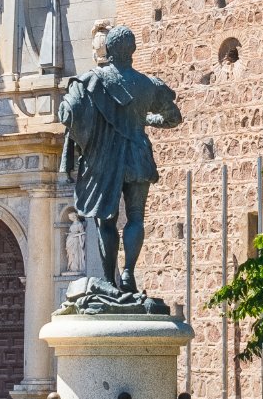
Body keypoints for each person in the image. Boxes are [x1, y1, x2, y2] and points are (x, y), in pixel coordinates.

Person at [60, 26, 182, 298]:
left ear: (110, 50)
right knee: (136, 216)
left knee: (107, 220)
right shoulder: (149, 85)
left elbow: (70, 111)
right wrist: (146, 120)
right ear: (133, 51)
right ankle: (128, 273)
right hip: (138, 155)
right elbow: (174, 118)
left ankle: (108, 278)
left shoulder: (94, 80)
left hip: (108, 158)